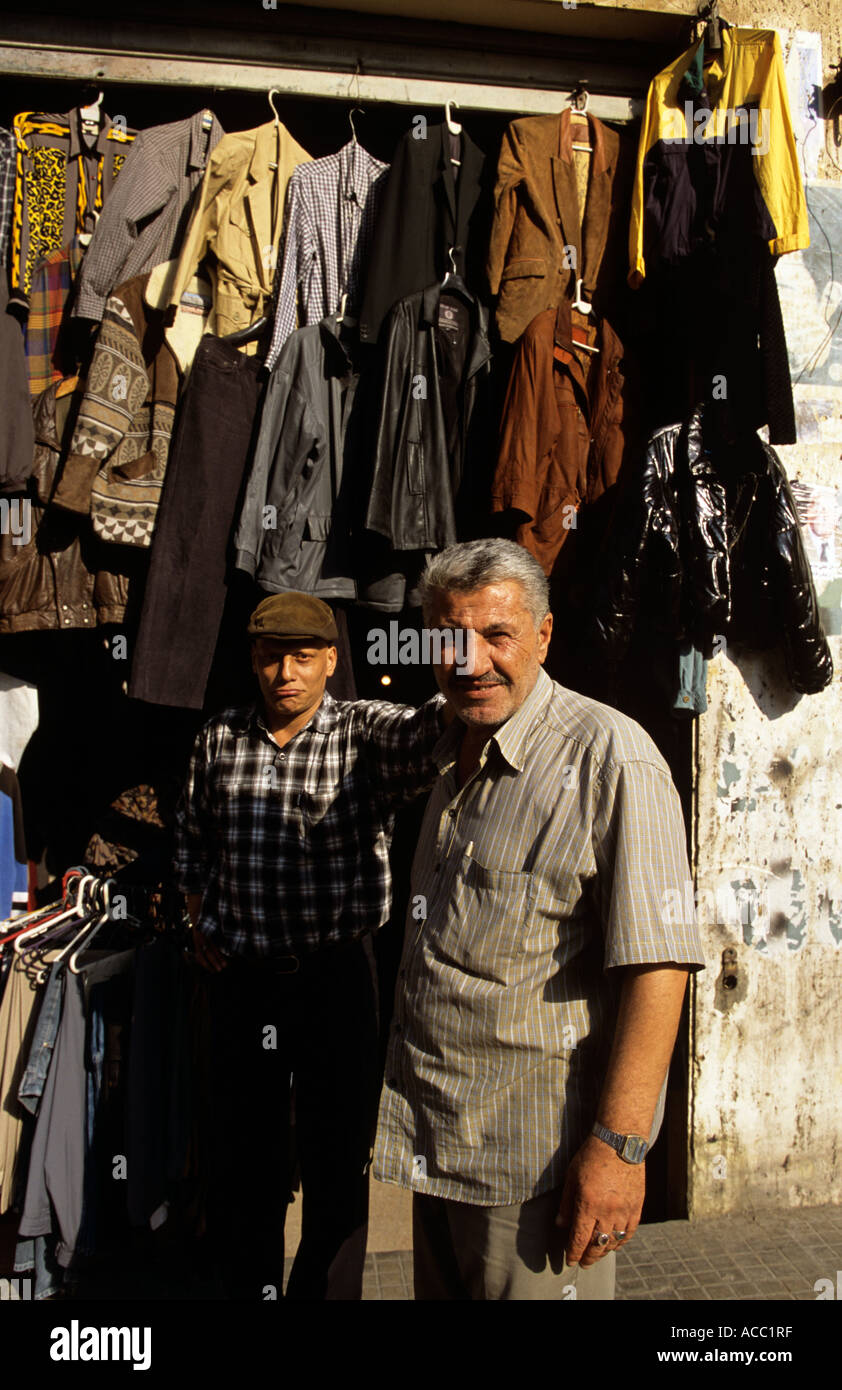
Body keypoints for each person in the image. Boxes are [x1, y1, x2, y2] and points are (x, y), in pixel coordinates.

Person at [373, 538, 706, 1300]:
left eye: (498, 635)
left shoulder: (610, 758)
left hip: (535, 1171)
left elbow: (659, 967)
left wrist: (620, 1150)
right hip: (435, 1144)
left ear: (545, 637)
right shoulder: (446, 745)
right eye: (451, 637)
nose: (472, 660)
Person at [173, 591, 447, 1300]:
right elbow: (193, 841)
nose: (284, 673)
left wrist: (471, 647)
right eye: (270, 656)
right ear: (252, 661)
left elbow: (438, 731)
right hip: (243, 983)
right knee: (247, 1167)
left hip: (334, 982)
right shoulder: (220, 738)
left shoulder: (363, 733)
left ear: (332, 660)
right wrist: (199, 918)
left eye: (301, 656)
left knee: (337, 1165)